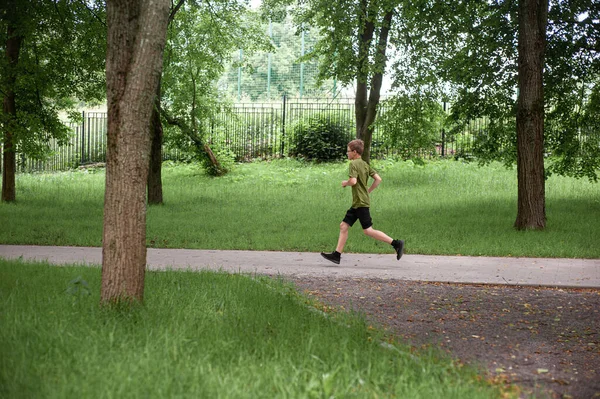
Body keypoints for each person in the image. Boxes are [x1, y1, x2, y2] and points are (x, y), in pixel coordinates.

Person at [321, 139, 404, 265]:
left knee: (368, 230)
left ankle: (396, 243)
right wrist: (368, 191)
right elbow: (378, 179)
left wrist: (345, 183)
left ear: (354, 152)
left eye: (348, 151)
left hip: (360, 203)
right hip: (358, 202)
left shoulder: (353, 164)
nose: (347, 153)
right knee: (343, 226)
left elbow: (353, 181)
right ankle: (336, 255)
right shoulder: (364, 164)